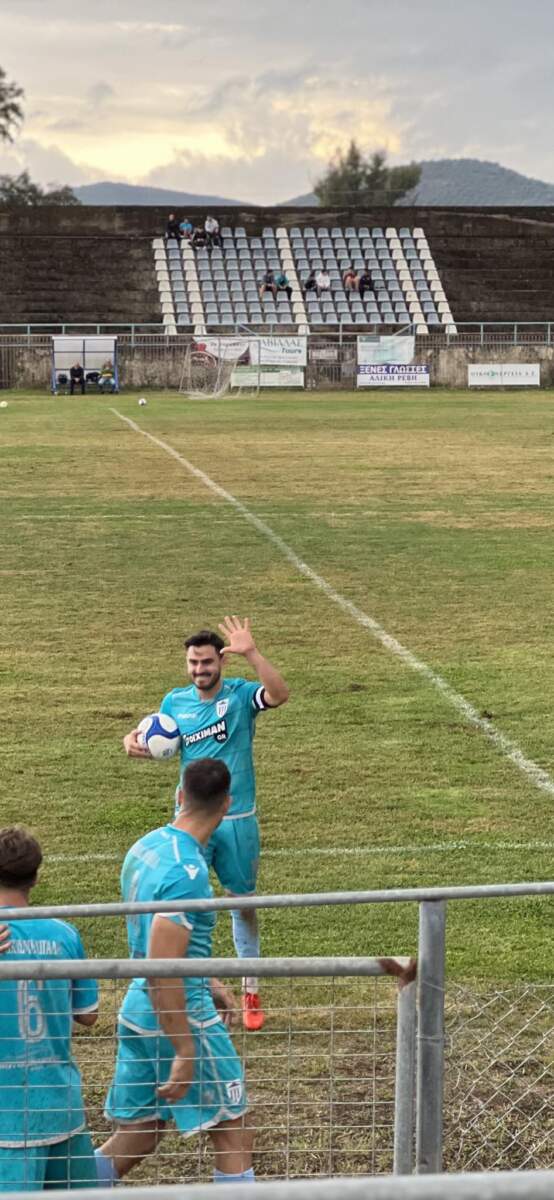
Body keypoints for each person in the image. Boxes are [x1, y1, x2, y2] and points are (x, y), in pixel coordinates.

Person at [123, 616, 289, 1031]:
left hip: (237, 818)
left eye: (207, 662)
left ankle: (250, 989)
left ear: (222, 662)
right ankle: (196, 987)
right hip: (190, 819)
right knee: (184, 902)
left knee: (242, 904)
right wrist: (133, 740)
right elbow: (156, 734)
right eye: (193, 663)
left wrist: (252, 653)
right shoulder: (174, 702)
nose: (200, 670)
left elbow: (279, 694)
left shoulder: (240, 696)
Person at [96, 759, 254, 1188]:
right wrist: (184, 1048)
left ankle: (59, 1192)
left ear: (181, 795)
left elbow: (157, 944)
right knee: (232, 1131)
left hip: (138, 1013)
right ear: (227, 805)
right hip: (181, 1015)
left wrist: (211, 980)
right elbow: (162, 968)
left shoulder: (145, 846)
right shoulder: (188, 874)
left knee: (139, 1134)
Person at [0, 826, 98, 1193]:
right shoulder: (64, 934)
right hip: (61, 1106)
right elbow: (88, 1015)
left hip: (7, 1119)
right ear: (36, 877)